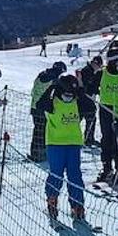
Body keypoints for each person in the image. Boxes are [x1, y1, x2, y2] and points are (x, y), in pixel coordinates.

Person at [35, 74, 95, 222]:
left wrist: (80, 92)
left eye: (71, 94)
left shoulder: (77, 101)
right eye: (66, 92)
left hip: (73, 143)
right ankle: (52, 200)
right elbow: (39, 104)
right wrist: (52, 87)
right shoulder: (51, 102)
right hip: (55, 143)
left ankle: (77, 205)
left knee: (75, 175)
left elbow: (91, 108)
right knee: (56, 174)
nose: (68, 96)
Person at [97, 49, 118, 182]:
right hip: (106, 109)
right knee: (107, 139)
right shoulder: (101, 74)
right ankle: (107, 168)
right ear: (112, 61)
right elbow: (91, 86)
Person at [29, 61, 67, 162]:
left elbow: (34, 90)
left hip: (34, 106)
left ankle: (35, 152)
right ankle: (39, 154)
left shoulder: (42, 74)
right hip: (43, 108)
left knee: (37, 130)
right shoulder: (54, 80)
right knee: (43, 131)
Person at [79, 56, 103, 147]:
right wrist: (95, 91)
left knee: (91, 118)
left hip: (88, 99)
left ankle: (89, 138)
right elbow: (88, 85)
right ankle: (86, 139)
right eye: (98, 65)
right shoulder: (87, 71)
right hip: (84, 99)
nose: (99, 68)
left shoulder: (92, 71)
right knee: (86, 118)